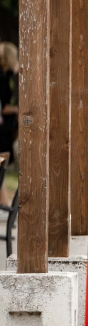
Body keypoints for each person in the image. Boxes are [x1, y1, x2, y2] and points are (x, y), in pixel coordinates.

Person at [0, 42, 18, 207]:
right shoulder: (3, 79)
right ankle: (4, 202)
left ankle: (5, 201)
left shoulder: (6, 76)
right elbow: (4, 107)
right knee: (1, 166)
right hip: (2, 132)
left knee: (1, 168)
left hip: (4, 131)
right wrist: (18, 109)